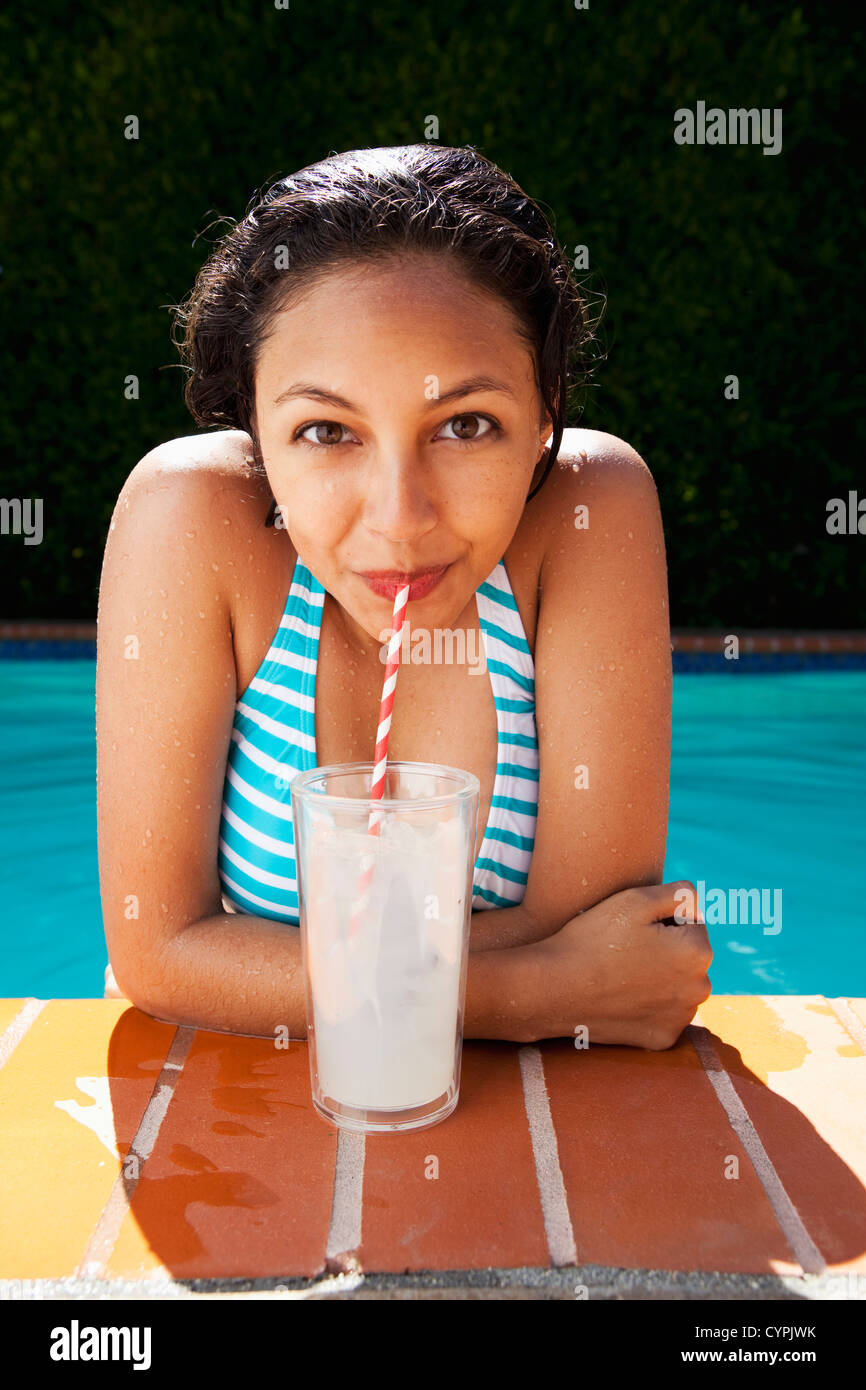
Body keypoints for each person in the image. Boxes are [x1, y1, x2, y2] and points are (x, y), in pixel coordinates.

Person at [97, 143, 711, 1047]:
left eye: (466, 426)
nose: (400, 517)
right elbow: (162, 952)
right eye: (325, 431)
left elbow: (593, 920)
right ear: (253, 431)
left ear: (545, 418)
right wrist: (538, 993)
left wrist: (269, 975)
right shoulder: (191, 518)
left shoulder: (590, 509)